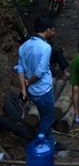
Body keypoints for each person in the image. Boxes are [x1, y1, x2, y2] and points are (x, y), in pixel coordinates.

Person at [15, 17, 57, 145]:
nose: (54, 33)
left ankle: (50, 140)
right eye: (53, 30)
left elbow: (20, 68)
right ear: (48, 30)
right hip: (43, 89)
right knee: (48, 118)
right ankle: (41, 141)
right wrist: (30, 82)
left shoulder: (24, 46)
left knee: (44, 116)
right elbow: (39, 72)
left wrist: (24, 87)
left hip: (32, 91)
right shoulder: (45, 47)